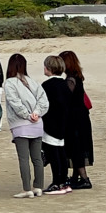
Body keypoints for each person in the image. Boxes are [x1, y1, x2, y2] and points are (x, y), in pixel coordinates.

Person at [2, 53, 45, 196]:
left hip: (21, 124)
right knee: (37, 157)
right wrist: (36, 113)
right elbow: (43, 101)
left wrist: (27, 115)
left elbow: (15, 103)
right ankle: (38, 186)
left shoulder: (9, 82)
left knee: (24, 158)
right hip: (37, 124)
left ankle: (27, 189)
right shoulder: (33, 82)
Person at [56, 49, 94, 188]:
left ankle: (84, 179)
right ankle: (76, 177)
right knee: (77, 147)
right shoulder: (77, 76)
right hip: (81, 117)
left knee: (75, 148)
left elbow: (67, 99)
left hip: (75, 119)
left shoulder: (71, 79)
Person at [38, 56, 76, 194]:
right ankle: (64, 182)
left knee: (54, 153)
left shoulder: (47, 85)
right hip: (63, 124)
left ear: (49, 68)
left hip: (51, 123)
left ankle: (57, 182)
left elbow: (43, 105)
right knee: (61, 151)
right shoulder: (65, 85)